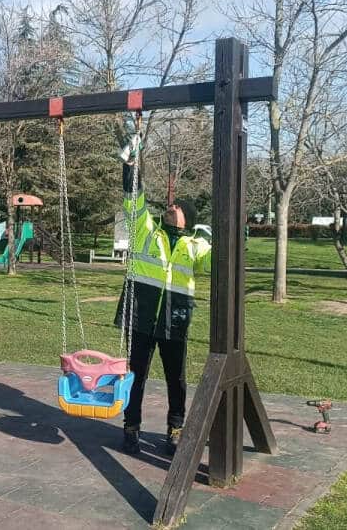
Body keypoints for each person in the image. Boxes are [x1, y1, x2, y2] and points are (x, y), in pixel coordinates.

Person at [114, 127, 210, 456]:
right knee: (135, 376)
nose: (172, 206)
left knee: (176, 379)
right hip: (142, 317)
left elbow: (218, 259)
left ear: (188, 218)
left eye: (178, 206)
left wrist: (225, 234)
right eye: (171, 204)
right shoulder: (146, 231)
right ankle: (131, 427)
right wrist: (131, 164)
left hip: (175, 319)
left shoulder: (195, 246)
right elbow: (133, 200)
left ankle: (175, 428)